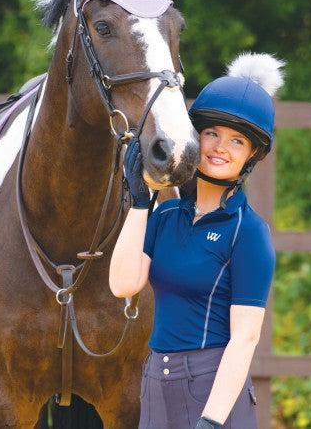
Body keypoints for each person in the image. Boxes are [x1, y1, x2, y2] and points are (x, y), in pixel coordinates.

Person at [109, 52, 285, 429]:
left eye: (237, 141)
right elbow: (123, 283)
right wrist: (140, 204)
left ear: (252, 154)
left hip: (211, 388)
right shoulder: (166, 216)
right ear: (196, 137)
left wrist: (212, 419)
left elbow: (246, 337)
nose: (221, 147)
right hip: (155, 383)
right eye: (212, 134)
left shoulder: (248, 232)